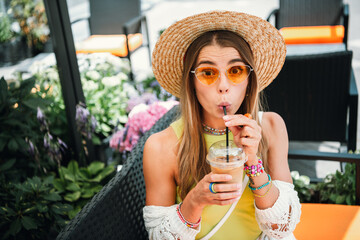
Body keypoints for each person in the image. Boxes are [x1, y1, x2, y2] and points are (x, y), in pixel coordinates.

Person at [143, 10, 301, 240]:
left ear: (249, 80)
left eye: (235, 71)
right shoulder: (160, 147)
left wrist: (253, 161)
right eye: (208, 73)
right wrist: (195, 201)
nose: (223, 86)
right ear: (191, 82)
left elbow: (283, 228)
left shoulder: (271, 127)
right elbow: (159, 236)